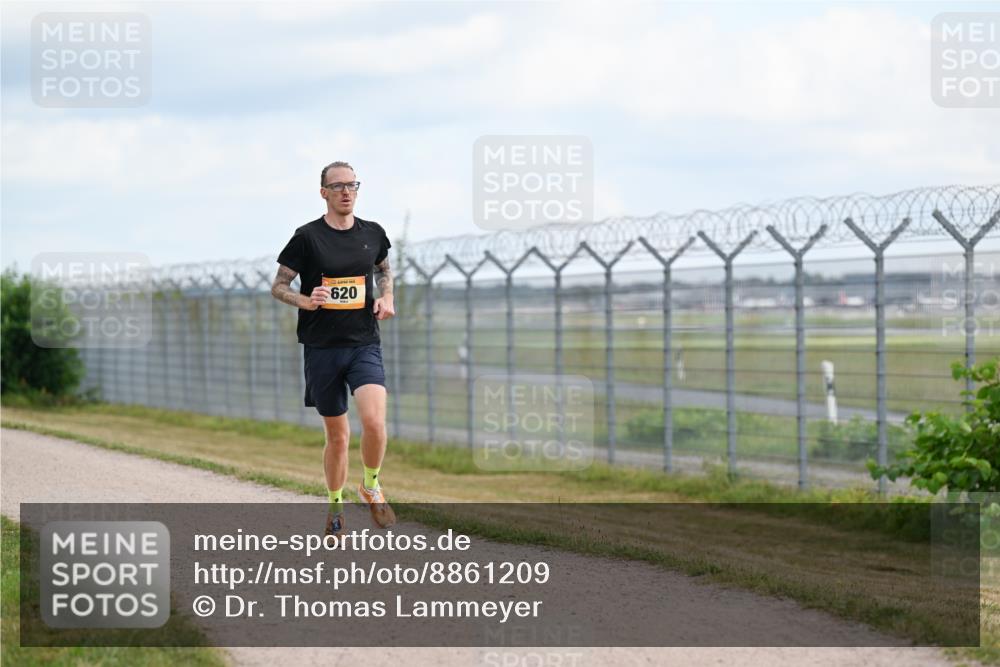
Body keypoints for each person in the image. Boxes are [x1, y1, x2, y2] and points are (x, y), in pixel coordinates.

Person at [271, 160, 396, 542]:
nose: (346, 191)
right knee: (338, 437)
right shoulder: (307, 237)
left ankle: (371, 485)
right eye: (337, 186)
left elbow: (383, 270)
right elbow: (278, 286)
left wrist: (387, 295)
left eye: (352, 185)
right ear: (323, 192)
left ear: (358, 190)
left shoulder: (372, 233)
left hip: (363, 343)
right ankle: (335, 506)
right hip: (322, 347)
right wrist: (306, 301)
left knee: (374, 422)